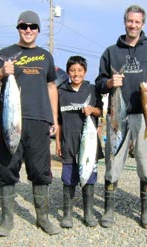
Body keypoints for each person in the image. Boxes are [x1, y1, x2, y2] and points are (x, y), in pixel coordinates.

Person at [0, 10, 60, 236]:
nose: (28, 30)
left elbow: (52, 87)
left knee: (41, 170)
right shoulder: (5, 53)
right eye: (24, 26)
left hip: (38, 121)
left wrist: (53, 117)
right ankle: (7, 220)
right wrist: (1, 71)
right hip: (10, 118)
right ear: (18, 28)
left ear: (38, 30)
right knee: (7, 168)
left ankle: (42, 218)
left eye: (33, 26)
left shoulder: (46, 56)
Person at [95, 5, 147, 229]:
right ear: (124, 22)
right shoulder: (111, 52)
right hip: (117, 115)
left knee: (145, 165)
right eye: (130, 21)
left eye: (137, 22)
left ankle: (146, 213)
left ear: (143, 24)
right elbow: (99, 82)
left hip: (144, 116)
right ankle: (109, 211)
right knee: (113, 163)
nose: (133, 25)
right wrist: (109, 83)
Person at [55, 56, 103, 228]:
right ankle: (67, 214)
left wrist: (92, 110)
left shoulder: (92, 89)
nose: (76, 74)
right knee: (68, 179)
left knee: (88, 177)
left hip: (89, 142)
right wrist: (58, 143)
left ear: (85, 72)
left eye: (80, 70)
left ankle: (88, 212)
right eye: (73, 70)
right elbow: (59, 121)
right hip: (69, 141)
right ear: (68, 72)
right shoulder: (61, 91)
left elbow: (100, 112)